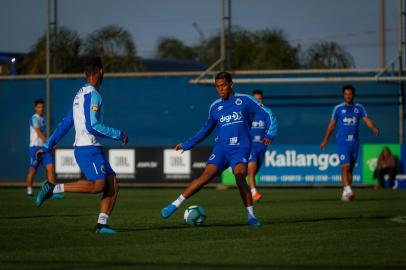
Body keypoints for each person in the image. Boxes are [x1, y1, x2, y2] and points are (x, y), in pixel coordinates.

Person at [160, 72, 278, 226]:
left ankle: (251, 216)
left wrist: (270, 133)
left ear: (231, 84)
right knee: (206, 177)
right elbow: (205, 129)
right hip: (221, 148)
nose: (220, 89)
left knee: (240, 177)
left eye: (223, 85)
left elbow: (268, 114)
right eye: (217, 86)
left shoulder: (245, 100)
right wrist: (188, 144)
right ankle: (175, 204)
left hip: (240, 148)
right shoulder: (215, 106)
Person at [35, 57, 128, 234]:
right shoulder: (93, 94)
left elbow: (65, 123)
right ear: (100, 71)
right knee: (99, 185)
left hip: (91, 148)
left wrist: (47, 145)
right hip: (88, 149)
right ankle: (54, 188)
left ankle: (101, 225)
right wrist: (119, 134)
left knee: (112, 183)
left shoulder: (79, 95)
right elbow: (92, 126)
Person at [320, 85, 379, 201]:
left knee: (350, 170)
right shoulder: (338, 109)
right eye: (346, 94)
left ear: (353, 95)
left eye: (350, 94)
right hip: (342, 142)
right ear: (343, 95)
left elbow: (367, 120)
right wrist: (325, 139)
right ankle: (349, 190)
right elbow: (331, 125)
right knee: (345, 167)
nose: (348, 96)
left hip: (355, 143)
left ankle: (345, 193)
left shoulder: (359, 108)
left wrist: (373, 128)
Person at [26, 99, 63, 199]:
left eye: (42, 107)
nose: (41, 109)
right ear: (35, 108)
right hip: (35, 148)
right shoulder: (34, 118)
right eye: (39, 107)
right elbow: (39, 133)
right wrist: (50, 143)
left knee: (50, 168)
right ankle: (29, 192)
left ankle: (52, 192)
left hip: (44, 149)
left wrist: (49, 142)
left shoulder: (43, 119)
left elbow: (45, 134)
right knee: (32, 170)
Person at [248, 89, 276, 202]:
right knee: (251, 170)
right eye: (255, 99)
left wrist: (269, 135)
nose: (258, 101)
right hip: (250, 146)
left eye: (260, 98)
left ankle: (248, 187)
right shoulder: (247, 113)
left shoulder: (267, 113)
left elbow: (271, 127)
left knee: (253, 172)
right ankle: (254, 192)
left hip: (262, 148)